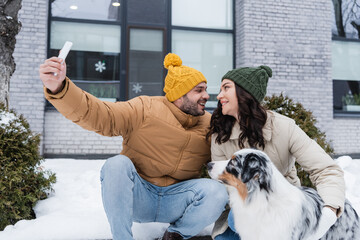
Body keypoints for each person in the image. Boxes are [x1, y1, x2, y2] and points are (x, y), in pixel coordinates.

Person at [39, 53, 228, 240]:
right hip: (140, 196)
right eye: (199, 90)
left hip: (178, 199)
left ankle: (176, 235)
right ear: (180, 94)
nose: (206, 95)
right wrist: (60, 89)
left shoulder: (210, 125)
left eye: (205, 89)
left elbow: (230, 155)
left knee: (216, 191)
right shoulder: (145, 108)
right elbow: (100, 114)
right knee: (117, 164)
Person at [207, 66, 346, 239]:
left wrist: (330, 211)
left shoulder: (284, 127)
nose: (219, 95)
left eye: (226, 88)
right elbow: (223, 185)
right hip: (238, 214)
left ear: (245, 93)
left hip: (285, 214)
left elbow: (326, 169)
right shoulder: (221, 134)